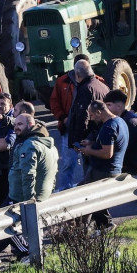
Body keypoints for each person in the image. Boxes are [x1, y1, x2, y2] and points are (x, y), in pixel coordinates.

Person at [77, 100, 129, 232]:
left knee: (91, 198)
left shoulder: (108, 127)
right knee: (86, 193)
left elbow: (107, 153)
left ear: (99, 112)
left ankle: (104, 225)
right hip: (112, 168)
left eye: (92, 115)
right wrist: (92, 142)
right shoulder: (119, 121)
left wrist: (89, 151)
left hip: (103, 170)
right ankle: (96, 226)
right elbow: (111, 143)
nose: (91, 118)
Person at [50, 55, 97, 189]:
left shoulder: (97, 81)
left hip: (89, 131)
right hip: (69, 130)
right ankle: (65, 189)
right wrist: (63, 118)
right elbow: (54, 102)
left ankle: (88, 187)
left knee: (89, 161)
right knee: (68, 162)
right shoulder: (62, 81)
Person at [67, 59, 109, 180]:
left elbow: (82, 116)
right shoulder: (103, 86)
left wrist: (78, 141)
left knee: (90, 174)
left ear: (77, 75)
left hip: (90, 137)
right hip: (102, 135)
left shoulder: (85, 89)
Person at [9, 113, 58, 202]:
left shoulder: (30, 145)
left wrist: (29, 200)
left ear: (30, 125)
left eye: (20, 124)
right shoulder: (48, 143)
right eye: (15, 125)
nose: (16, 128)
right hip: (42, 196)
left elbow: (28, 174)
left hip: (22, 199)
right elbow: (54, 174)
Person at [106, 90, 137, 176]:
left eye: (108, 105)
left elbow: (120, 149)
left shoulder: (128, 123)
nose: (106, 109)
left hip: (135, 168)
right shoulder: (128, 118)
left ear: (119, 106)